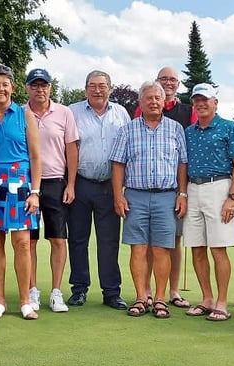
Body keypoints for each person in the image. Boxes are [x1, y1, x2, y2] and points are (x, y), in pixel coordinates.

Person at [110, 81, 188, 319]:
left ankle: (161, 299)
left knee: (162, 249)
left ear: (164, 102)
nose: (153, 102)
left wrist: (182, 193)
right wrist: (118, 195)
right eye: (149, 98)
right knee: (139, 249)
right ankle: (142, 297)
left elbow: (182, 164)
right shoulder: (128, 130)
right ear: (140, 102)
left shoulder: (175, 129)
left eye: (157, 98)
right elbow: (118, 164)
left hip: (166, 196)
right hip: (135, 196)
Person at [0, 64, 41, 320]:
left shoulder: (25, 115)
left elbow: (36, 156)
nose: (1, 88)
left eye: (5, 84)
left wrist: (35, 191)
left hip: (21, 183)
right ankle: (0, 301)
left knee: (23, 242)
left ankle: (25, 301)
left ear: (13, 88)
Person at [67, 70, 131, 310]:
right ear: (85, 89)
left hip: (110, 185)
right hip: (81, 183)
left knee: (108, 241)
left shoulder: (121, 113)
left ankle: (111, 292)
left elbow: (128, 149)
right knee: (78, 239)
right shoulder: (73, 112)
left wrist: (122, 189)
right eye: (92, 86)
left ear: (110, 89)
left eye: (102, 86)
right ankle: (79, 289)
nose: (97, 90)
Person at [182, 83, 234, 321]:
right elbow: (184, 165)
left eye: (205, 99)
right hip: (193, 188)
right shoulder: (188, 132)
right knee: (197, 248)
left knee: (218, 248)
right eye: (197, 100)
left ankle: (221, 301)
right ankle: (207, 298)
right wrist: (183, 193)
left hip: (219, 187)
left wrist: (233, 196)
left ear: (215, 102)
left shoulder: (229, 128)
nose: (200, 104)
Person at [135, 66, 197, 308]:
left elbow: (187, 151)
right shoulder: (142, 109)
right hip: (146, 189)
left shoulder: (187, 111)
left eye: (172, 80)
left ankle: (172, 290)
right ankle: (148, 291)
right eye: (164, 79)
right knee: (150, 243)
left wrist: (184, 191)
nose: (168, 83)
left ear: (177, 83)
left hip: (176, 188)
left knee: (174, 240)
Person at [24, 68, 79, 313]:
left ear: (50, 87)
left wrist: (71, 184)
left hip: (56, 182)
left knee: (58, 239)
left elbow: (71, 150)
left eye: (43, 85)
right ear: (27, 88)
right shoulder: (20, 113)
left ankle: (56, 292)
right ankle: (32, 290)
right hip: (26, 184)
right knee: (29, 241)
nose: (39, 89)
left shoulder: (64, 113)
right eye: (34, 85)